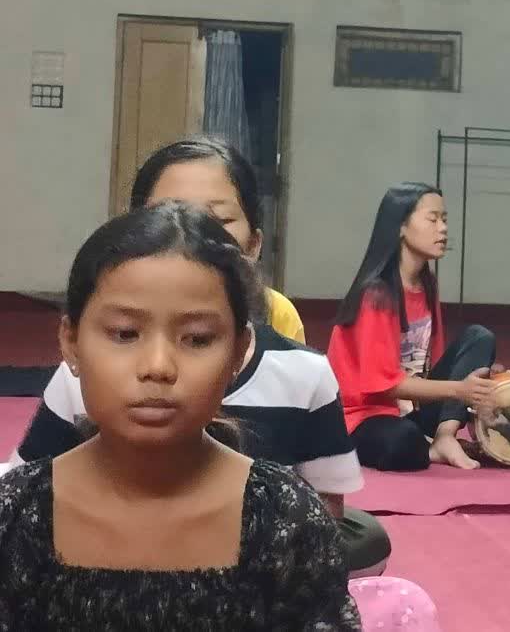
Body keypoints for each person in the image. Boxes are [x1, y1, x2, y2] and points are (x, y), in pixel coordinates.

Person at [8, 137, 390, 578]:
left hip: (262, 553)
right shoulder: (82, 379)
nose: (158, 367)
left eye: (216, 220)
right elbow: (26, 490)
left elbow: (326, 518)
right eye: (124, 334)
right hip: (90, 540)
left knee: (362, 541)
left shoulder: (301, 384)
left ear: (253, 244)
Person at [0, 202, 359, 629]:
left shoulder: (286, 519)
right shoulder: (17, 516)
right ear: (71, 342)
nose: (158, 366)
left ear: (237, 353)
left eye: (197, 339)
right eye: (124, 334)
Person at [329, 183, 498, 471]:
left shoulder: (426, 284)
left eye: (444, 219)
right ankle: (427, 445)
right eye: (432, 219)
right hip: (362, 416)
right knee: (403, 442)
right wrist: (460, 390)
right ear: (400, 227)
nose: (442, 229)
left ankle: (444, 437)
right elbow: (384, 385)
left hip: (409, 407)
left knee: (479, 337)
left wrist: (473, 391)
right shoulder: (376, 295)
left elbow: (430, 367)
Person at [130, 135, 304, 342]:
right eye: (172, 215)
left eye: (219, 219)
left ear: (253, 244)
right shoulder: (103, 303)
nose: (194, 231)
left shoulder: (276, 314)